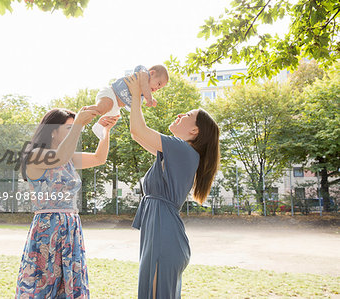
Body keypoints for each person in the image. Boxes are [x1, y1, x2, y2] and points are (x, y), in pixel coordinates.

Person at [124, 74, 220, 299]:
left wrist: (137, 93)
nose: (179, 115)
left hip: (163, 235)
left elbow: (137, 130)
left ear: (195, 131)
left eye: (187, 115)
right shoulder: (178, 153)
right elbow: (139, 136)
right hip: (161, 233)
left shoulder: (183, 150)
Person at [15, 107, 119, 298]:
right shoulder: (36, 155)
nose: (74, 132)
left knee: (69, 286)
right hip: (48, 229)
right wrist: (80, 122)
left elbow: (99, 158)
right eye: (69, 128)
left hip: (71, 227)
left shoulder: (69, 158)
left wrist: (106, 131)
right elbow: (58, 157)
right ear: (53, 131)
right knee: (43, 284)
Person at [89, 65, 169, 139]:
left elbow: (144, 92)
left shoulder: (143, 91)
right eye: (158, 84)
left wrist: (151, 98)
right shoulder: (143, 74)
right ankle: (84, 113)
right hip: (111, 94)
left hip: (117, 105)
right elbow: (145, 87)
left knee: (113, 118)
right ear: (151, 73)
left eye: (159, 88)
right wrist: (149, 98)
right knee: (103, 107)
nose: (157, 88)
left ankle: (99, 126)